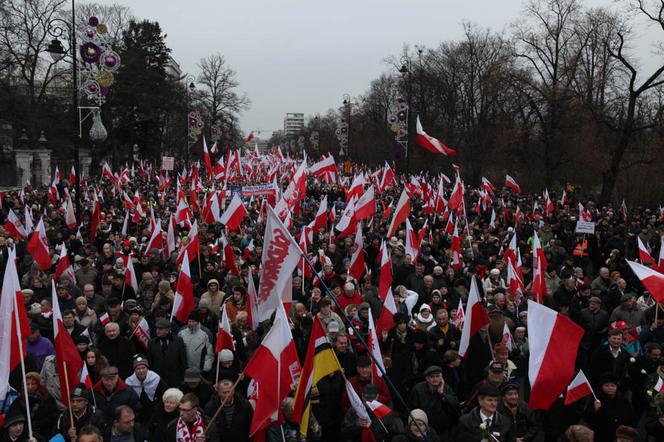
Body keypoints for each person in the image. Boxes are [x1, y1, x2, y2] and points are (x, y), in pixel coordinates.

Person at [407, 365, 460, 439]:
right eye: (432, 377)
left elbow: (455, 406)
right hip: (424, 428)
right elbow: (412, 408)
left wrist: (442, 394)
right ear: (427, 378)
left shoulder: (446, 388)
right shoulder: (418, 389)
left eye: (437, 376)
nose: (435, 379)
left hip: (443, 429)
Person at [124, 355, 168, 424]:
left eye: (143, 368)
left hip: (154, 412)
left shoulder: (156, 378)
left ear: (147, 369)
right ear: (134, 370)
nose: (141, 371)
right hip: (137, 415)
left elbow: (165, 394)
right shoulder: (129, 382)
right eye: (138, 368)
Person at [147, 319, 188, 388]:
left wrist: (183, 378)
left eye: (160, 329)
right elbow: (150, 362)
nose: (157, 331)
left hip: (174, 379)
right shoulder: (151, 342)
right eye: (157, 328)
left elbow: (183, 361)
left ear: (167, 330)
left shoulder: (178, 341)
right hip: (157, 379)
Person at [178, 311, 214, 375]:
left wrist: (206, 369)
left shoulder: (206, 333)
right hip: (185, 368)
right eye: (189, 321)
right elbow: (177, 349)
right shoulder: (182, 332)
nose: (191, 323)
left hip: (200, 369)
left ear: (198, 322)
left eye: (193, 321)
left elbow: (209, 353)